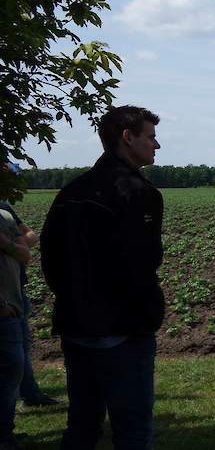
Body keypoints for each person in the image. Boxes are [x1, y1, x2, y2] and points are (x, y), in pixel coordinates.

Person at [40, 106, 164, 450]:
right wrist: (144, 314)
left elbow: (49, 256)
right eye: (150, 136)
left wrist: (72, 297)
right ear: (128, 137)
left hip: (76, 324)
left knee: (81, 426)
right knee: (133, 430)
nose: (157, 145)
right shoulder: (138, 193)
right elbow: (142, 263)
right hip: (123, 329)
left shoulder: (72, 190)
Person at [0, 188, 58, 407]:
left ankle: (29, 393)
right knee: (12, 355)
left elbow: (31, 238)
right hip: (4, 295)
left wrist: (10, 245)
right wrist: (15, 245)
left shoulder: (4, 210)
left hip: (17, 288)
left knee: (22, 345)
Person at [0, 203, 29, 450]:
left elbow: (26, 252)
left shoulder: (5, 212)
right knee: (9, 372)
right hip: (3, 307)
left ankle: (5, 433)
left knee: (12, 372)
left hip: (12, 303)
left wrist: (7, 244)